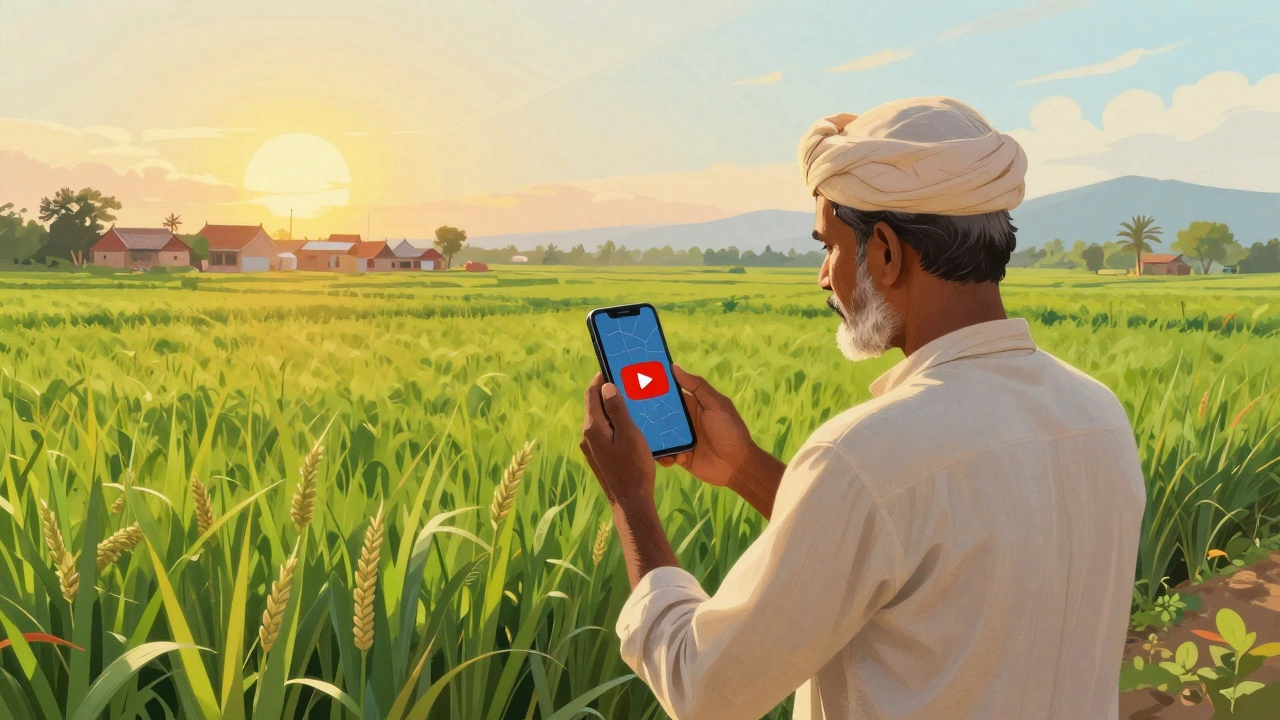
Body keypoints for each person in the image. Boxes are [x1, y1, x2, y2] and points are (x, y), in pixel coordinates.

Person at [578, 97, 1146, 720]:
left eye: (829, 247)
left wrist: (631, 500)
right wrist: (745, 470)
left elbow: (704, 687)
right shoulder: (1097, 414)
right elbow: (915, 557)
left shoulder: (867, 454)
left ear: (885, 251)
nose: (825, 277)